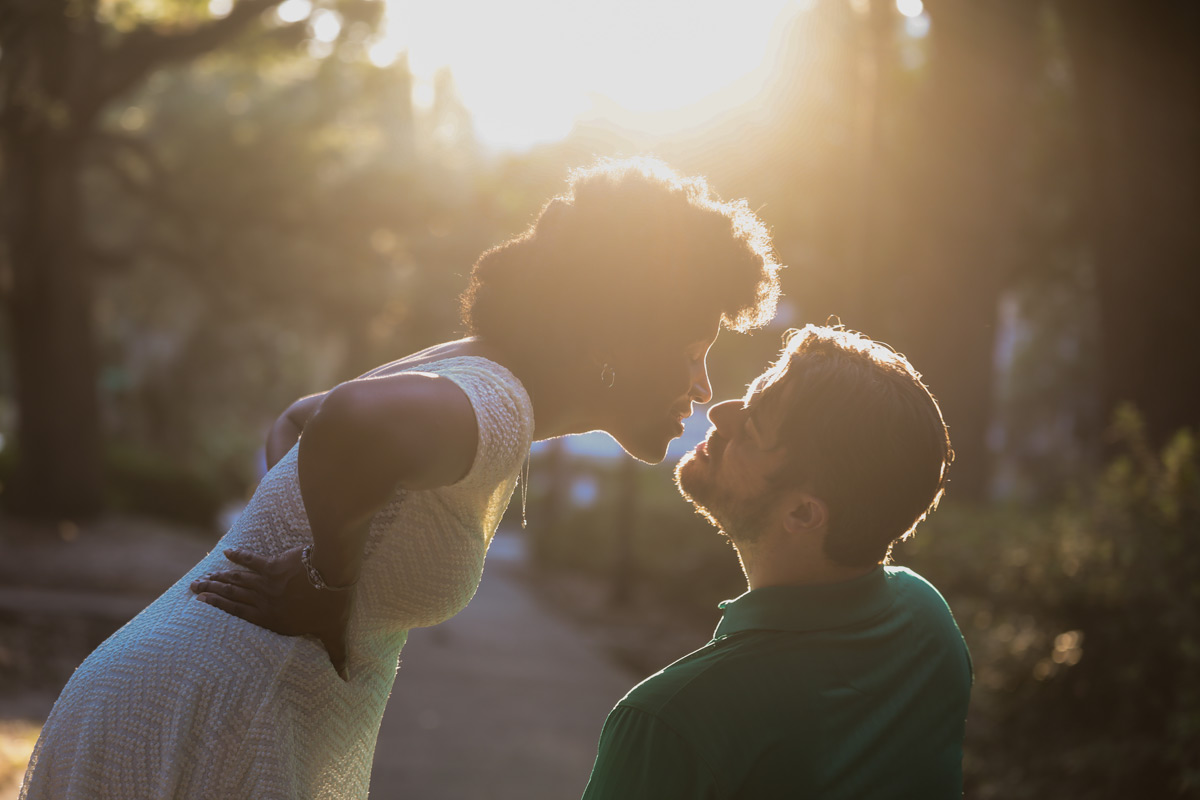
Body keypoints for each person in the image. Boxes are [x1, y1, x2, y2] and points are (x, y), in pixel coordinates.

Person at [20, 157, 781, 800]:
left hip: (174, 691)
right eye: (690, 351)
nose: (704, 385)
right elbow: (353, 421)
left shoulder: (484, 369)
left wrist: (302, 551)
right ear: (621, 339)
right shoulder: (499, 403)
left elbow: (295, 422)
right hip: (208, 717)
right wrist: (325, 581)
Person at [581, 324, 972, 800]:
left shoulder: (667, 723)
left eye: (754, 426)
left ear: (802, 512)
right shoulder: (927, 623)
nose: (723, 413)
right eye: (753, 393)